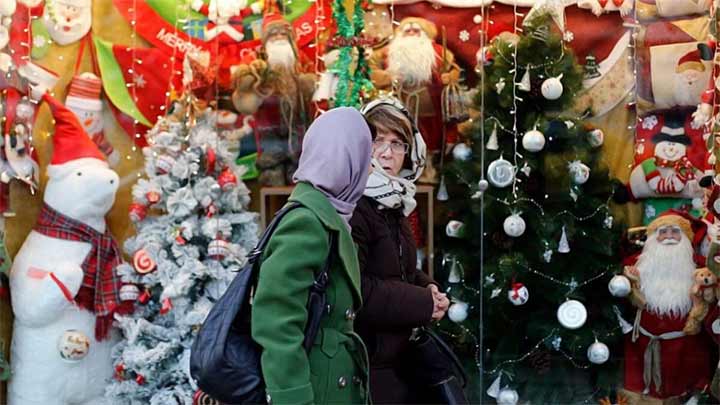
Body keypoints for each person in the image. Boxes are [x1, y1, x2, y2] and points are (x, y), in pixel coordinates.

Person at [251, 107, 373, 405]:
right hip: (316, 392)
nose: (369, 168)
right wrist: (292, 398)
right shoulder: (309, 220)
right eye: (364, 157)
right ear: (345, 160)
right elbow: (277, 321)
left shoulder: (330, 216)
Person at [351, 97, 450, 404]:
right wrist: (422, 303)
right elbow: (357, 286)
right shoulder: (355, 205)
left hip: (395, 361)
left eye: (397, 143)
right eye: (377, 140)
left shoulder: (396, 201)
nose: (386, 152)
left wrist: (429, 287)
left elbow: (398, 267)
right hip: (367, 366)